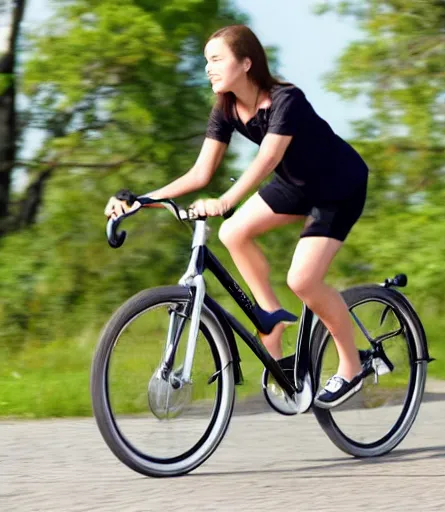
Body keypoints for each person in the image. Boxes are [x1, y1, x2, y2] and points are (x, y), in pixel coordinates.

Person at [104, 24, 372, 408]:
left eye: (216, 60)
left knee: (302, 279)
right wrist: (140, 201)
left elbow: (268, 159)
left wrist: (226, 198)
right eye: (206, 62)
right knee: (233, 233)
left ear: (246, 62)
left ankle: (350, 367)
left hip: (338, 186)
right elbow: (200, 174)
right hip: (295, 185)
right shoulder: (227, 108)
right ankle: (271, 317)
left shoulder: (286, 99)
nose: (208, 69)